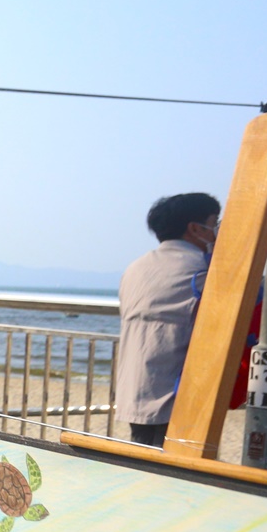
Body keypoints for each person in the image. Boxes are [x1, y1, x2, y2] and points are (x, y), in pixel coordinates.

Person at [114, 192, 220, 448]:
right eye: (215, 223)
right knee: (178, 465)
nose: (218, 232)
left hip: (135, 389)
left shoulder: (136, 267)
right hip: (178, 393)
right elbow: (259, 298)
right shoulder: (204, 269)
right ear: (195, 228)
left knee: (141, 460)